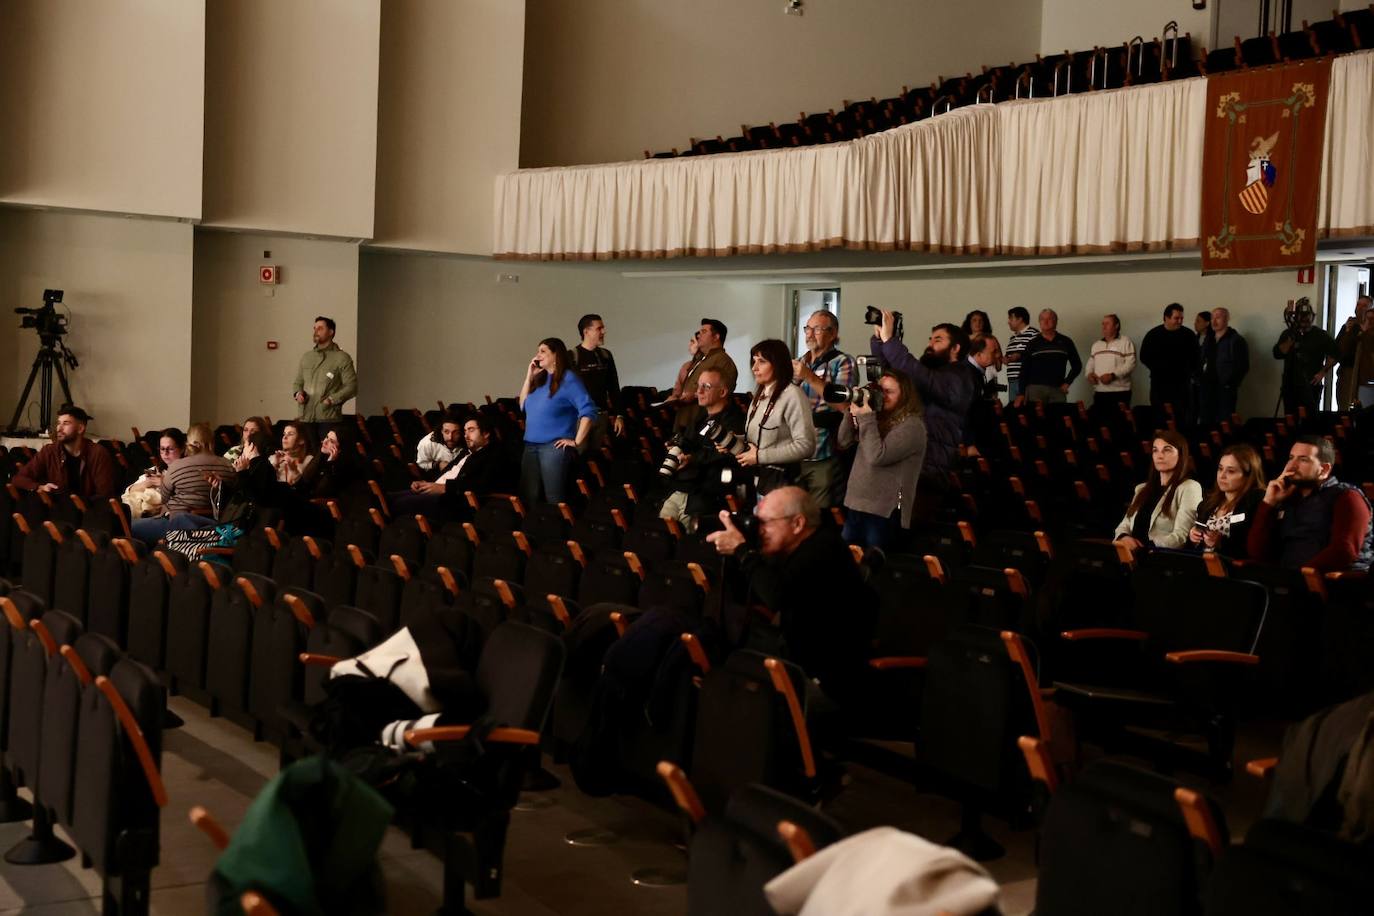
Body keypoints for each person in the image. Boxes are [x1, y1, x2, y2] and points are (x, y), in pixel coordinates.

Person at [706, 486, 877, 710]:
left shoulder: (823, 549)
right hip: (796, 660)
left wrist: (742, 550)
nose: (759, 530)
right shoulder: (790, 549)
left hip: (829, 683)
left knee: (738, 697)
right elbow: (745, 593)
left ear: (797, 524)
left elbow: (777, 595)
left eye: (765, 523)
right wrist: (735, 551)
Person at [871, 313, 975, 503]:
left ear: (955, 348)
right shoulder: (932, 375)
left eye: (938, 339)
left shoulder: (959, 378)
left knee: (912, 527)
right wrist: (880, 341)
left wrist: (890, 341)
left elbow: (917, 374)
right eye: (930, 339)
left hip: (929, 468)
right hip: (909, 462)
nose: (930, 344)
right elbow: (895, 375)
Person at [1247, 436, 1374, 571]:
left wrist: (1296, 576)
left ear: (1324, 469)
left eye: (1303, 459)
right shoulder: (1287, 498)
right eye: (1291, 458)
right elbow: (1257, 553)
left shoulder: (1347, 497)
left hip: (1331, 584)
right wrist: (1269, 503)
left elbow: (1344, 551)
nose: (1292, 466)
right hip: (1289, 580)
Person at [836, 370, 927, 549]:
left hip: (885, 511)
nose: (882, 396)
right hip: (857, 504)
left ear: (905, 397)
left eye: (889, 392)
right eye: (881, 390)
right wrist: (851, 411)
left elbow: (877, 456)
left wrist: (866, 417)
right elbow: (843, 441)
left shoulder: (912, 426)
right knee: (849, 567)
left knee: (873, 569)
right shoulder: (874, 417)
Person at [658, 367, 746, 530]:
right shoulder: (701, 418)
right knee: (661, 535)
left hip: (707, 496)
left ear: (722, 392)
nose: (698, 391)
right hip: (682, 488)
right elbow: (688, 443)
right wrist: (677, 447)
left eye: (706, 386)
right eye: (698, 386)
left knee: (688, 543)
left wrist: (693, 458)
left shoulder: (734, 421)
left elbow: (728, 455)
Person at [519, 337, 597, 505]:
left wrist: (576, 442)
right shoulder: (539, 379)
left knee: (554, 498)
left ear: (556, 355)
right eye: (538, 351)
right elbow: (523, 406)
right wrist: (529, 377)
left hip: (553, 447)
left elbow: (588, 411)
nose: (537, 355)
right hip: (530, 446)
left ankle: (559, 529)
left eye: (543, 351)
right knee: (529, 498)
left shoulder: (568, 379)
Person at [131, 422, 237, 545]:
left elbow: (164, 498)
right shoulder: (228, 466)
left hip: (176, 525)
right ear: (212, 442)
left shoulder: (178, 465)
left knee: (126, 527)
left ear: (191, 444)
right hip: (211, 527)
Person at [791, 310, 856, 507]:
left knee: (821, 513)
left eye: (817, 329)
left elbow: (843, 405)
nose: (810, 334)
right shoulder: (800, 361)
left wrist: (810, 377)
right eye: (808, 328)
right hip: (795, 449)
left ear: (833, 333)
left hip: (824, 449)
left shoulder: (843, 361)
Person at [740, 340, 817, 495]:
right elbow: (759, 440)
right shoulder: (760, 394)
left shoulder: (793, 394)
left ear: (778, 364)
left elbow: (806, 445)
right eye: (753, 361)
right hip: (759, 480)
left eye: (762, 362)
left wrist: (760, 456)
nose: (754, 368)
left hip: (782, 484)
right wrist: (734, 439)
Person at [389, 416, 503, 520]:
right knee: (389, 498)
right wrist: (427, 483)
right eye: (465, 431)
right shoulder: (465, 452)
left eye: (471, 430)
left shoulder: (494, 454)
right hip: (439, 490)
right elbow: (446, 472)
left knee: (398, 503)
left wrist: (444, 488)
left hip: (453, 499)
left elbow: (481, 484)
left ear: (486, 433)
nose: (466, 436)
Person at [1113, 431, 1202, 551]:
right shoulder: (1141, 489)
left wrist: (1144, 546)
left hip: (1160, 559)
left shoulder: (1189, 487)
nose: (1160, 456)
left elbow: (1180, 537)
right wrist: (1123, 538)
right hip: (1130, 554)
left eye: (1167, 450)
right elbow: (1124, 525)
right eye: (1155, 450)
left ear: (1181, 454)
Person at [12, 405, 117, 502]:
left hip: (89, 511)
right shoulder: (49, 451)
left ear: (80, 428)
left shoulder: (98, 453)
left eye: (66, 423)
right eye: (59, 423)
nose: (59, 428)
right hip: (58, 509)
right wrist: (40, 487)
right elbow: (18, 479)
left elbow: (104, 494)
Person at [1187, 444, 1265, 560]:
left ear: (1248, 476)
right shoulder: (1208, 502)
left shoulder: (1256, 502)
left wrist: (1220, 542)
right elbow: (1195, 544)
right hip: (1203, 565)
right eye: (1220, 468)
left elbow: (1254, 548)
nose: (1222, 476)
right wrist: (1194, 537)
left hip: (1236, 570)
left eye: (1231, 471)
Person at [292, 315, 358, 433]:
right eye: (315, 328)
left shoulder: (341, 358)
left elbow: (352, 387)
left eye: (320, 328)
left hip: (328, 418)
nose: (316, 331)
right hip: (305, 416)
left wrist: (332, 400)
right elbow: (298, 382)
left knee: (325, 451)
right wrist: (298, 394)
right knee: (308, 451)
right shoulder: (307, 357)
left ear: (331, 332)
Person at [567, 313, 624, 450]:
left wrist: (619, 415)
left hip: (601, 416)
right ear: (586, 331)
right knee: (578, 456)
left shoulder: (605, 355)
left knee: (596, 458)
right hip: (579, 418)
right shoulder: (572, 356)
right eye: (599, 328)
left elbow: (613, 386)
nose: (603, 332)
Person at [1273, 298, 1338, 416]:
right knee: (1290, 419)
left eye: (1307, 315)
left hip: (1311, 385)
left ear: (1312, 316)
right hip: (1290, 386)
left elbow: (1335, 354)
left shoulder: (1321, 335)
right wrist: (1291, 339)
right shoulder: (1288, 334)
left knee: (1310, 420)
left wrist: (1323, 372)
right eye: (1301, 316)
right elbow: (1277, 354)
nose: (1305, 319)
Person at [674, 319, 738, 429]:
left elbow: (724, 393)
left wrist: (693, 395)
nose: (698, 335)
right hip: (686, 421)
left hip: (702, 424)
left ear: (716, 337)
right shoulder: (701, 360)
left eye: (703, 332)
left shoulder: (723, 361)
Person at [1139, 304, 1196, 423]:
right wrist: (1159, 369)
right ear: (1166, 317)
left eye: (1181, 318)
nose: (1180, 321)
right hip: (1160, 385)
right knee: (1160, 418)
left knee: (1181, 418)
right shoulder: (1153, 335)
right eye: (1176, 318)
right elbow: (1144, 356)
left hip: (1181, 386)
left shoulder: (1189, 335)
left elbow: (1196, 358)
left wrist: (1189, 372)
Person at [1020, 309, 1082, 404]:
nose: (1045, 321)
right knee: (1035, 418)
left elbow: (1077, 365)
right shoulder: (1032, 343)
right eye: (1042, 319)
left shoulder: (1066, 341)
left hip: (1057, 389)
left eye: (1049, 319)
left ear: (1056, 321)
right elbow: (1024, 369)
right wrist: (1021, 393)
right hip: (1035, 389)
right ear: (1039, 322)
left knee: (1057, 418)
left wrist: (1067, 383)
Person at [1199, 307, 1249, 425]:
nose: (1214, 321)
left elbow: (1242, 366)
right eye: (1212, 318)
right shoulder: (1209, 339)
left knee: (1223, 423)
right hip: (1207, 388)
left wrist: (1229, 384)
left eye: (1218, 317)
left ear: (1226, 319)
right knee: (1206, 421)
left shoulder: (1236, 340)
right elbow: (1201, 360)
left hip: (1224, 390)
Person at [123, 428, 186, 519]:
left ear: (182, 449)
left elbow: (187, 499)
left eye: (170, 449)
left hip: (166, 517)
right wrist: (147, 483)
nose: (165, 453)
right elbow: (129, 491)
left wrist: (164, 484)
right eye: (162, 449)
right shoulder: (156, 470)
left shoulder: (187, 472)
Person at [1086, 313, 1136, 412]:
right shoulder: (1096, 345)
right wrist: (1089, 374)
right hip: (1100, 391)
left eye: (1107, 323)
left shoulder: (1126, 342)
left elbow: (1131, 364)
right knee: (1101, 423)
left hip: (1120, 392)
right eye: (1103, 324)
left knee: (1118, 423)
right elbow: (1090, 364)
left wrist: (1113, 376)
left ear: (1116, 326)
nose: (1103, 326)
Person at [1335, 295, 1373, 407]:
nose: (1360, 308)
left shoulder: (1371, 329)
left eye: (1364, 306)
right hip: (1348, 373)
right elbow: (1337, 349)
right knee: (1345, 407)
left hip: (1366, 375)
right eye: (1358, 304)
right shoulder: (1349, 326)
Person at [1003, 307, 1038, 400]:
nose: (1008, 322)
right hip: (1012, 381)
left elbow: (1037, 356)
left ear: (1020, 319)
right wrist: (1005, 359)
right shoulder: (1012, 338)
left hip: (1027, 382)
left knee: (1027, 411)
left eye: (1011, 318)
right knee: (1014, 412)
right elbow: (1008, 357)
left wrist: (1020, 356)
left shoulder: (1033, 334)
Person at [270, 421, 318, 488]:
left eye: (290, 434)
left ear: (301, 440)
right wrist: (275, 465)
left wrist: (293, 470)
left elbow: (304, 487)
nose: (285, 437)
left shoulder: (309, 460)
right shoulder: (274, 458)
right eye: (284, 434)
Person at [966, 334, 1002, 401]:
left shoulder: (975, 370)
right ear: (979, 354)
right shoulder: (967, 374)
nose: (998, 355)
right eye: (994, 352)